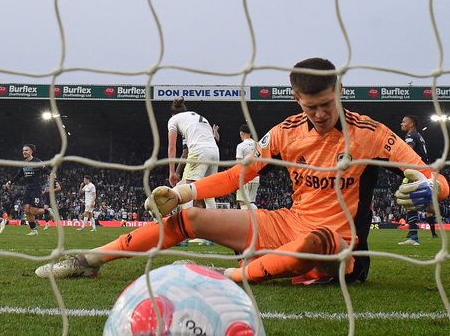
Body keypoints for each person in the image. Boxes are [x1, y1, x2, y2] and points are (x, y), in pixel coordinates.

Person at [35, 57, 449, 284]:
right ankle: (87, 260)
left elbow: (434, 177)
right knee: (190, 217)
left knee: (316, 239)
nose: (320, 114)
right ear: (296, 99)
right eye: (310, 107)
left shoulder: (372, 134)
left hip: (336, 248)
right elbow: (238, 176)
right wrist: (182, 194)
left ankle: (231, 276)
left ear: (340, 92)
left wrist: (430, 190)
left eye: (327, 103)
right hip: (285, 225)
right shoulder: (284, 133)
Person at [167, 97, 219, 210]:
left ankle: (187, 224)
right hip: (214, 151)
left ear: (173, 114)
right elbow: (214, 139)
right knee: (208, 191)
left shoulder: (173, 120)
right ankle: (214, 224)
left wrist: (172, 172)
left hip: (199, 151)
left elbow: (172, 147)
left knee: (187, 189)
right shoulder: (196, 117)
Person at [398, 115, 434, 245]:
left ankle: (414, 237)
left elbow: (408, 152)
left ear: (411, 124)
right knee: (411, 205)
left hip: (418, 172)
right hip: (424, 171)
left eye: (404, 122)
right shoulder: (418, 135)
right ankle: (413, 237)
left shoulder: (411, 136)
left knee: (429, 207)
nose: (401, 124)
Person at [4, 144, 46, 236]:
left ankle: (47, 211)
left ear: (31, 151)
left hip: (36, 189)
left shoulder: (38, 162)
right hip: (28, 189)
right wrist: (10, 182)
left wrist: (52, 175)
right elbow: (19, 175)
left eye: (26, 150)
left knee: (33, 211)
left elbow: (46, 170)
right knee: (26, 210)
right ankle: (33, 230)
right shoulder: (23, 164)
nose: (24, 152)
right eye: (23, 150)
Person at [235, 124, 260, 210]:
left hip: (244, 177)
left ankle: (258, 218)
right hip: (255, 177)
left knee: (243, 203)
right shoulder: (257, 145)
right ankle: (257, 219)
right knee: (250, 202)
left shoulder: (240, 146)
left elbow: (239, 164)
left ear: (241, 133)